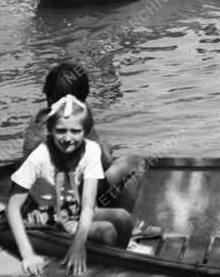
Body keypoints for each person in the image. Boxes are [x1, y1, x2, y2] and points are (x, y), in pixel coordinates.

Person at [6, 94, 133, 276]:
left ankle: (118, 265)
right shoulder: (40, 156)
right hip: (43, 216)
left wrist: (78, 244)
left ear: (85, 131)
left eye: (75, 131)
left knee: (124, 218)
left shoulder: (91, 150)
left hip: (72, 210)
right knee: (106, 232)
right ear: (50, 130)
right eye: (60, 131)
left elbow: (88, 205)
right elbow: (12, 207)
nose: (68, 138)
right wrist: (27, 254)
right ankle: (102, 270)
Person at [22, 61, 145, 217]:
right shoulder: (77, 118)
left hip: (38, 195)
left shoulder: (38, 118)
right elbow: (104, 163)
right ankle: (129, 228)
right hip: (69, 195)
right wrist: (104, 148)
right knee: (134, 164)